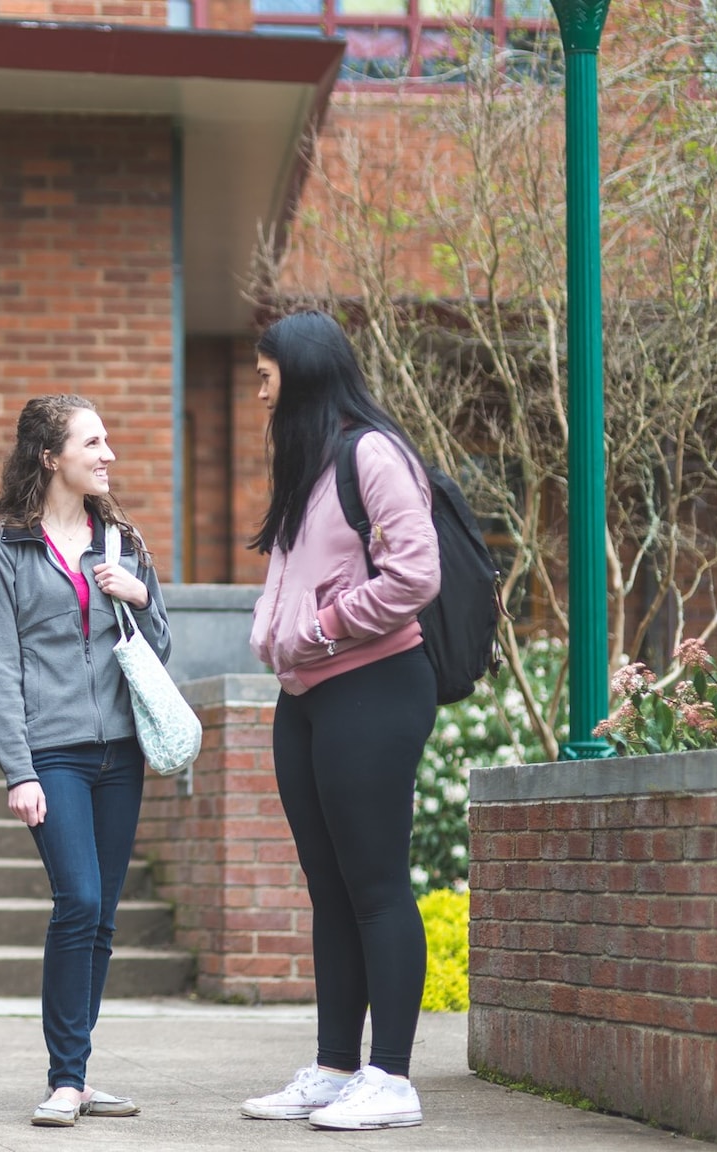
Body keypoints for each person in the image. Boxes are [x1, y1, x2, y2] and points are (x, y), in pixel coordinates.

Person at [240, 310, 441, 1131]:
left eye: (265, 375)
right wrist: (275, 635)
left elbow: (415, 574)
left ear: (305, 372)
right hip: (307, 699)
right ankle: (333, 1068)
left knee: (376, 886)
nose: (258, 391)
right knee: (329, 890)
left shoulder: (371, 453)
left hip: (375, 687)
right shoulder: (309, 465)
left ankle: (391, 1077)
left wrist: (321, 628)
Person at [0, 394, 171, 1128]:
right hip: (52, 752)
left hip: (121, 751)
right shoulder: (2, 549)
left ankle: (79, 1075)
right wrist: (18, 770)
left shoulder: (121, 542)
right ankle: (63, 1076)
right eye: (93, 441)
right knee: (78, 901)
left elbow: (162, 652)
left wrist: (142, 597)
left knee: (105, 915)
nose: (108, 453)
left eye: (108, 440)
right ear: (51, 457)